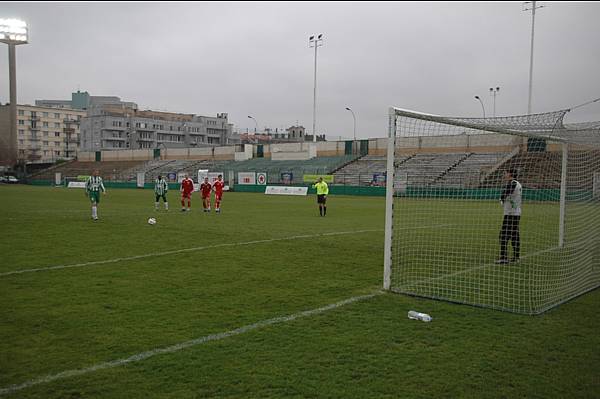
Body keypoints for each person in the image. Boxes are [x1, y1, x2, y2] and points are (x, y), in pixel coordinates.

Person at [496, 169, 522, 264]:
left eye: (506, 173)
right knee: (514, 235)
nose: (505, 174)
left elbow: (505, 193)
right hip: (515, 213)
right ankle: (516, 257)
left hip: (511, 214)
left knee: (503, 235)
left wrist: (502, 198)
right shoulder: (516, 184)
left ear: (510, 174)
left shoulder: (513, 183)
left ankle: (503, 257)